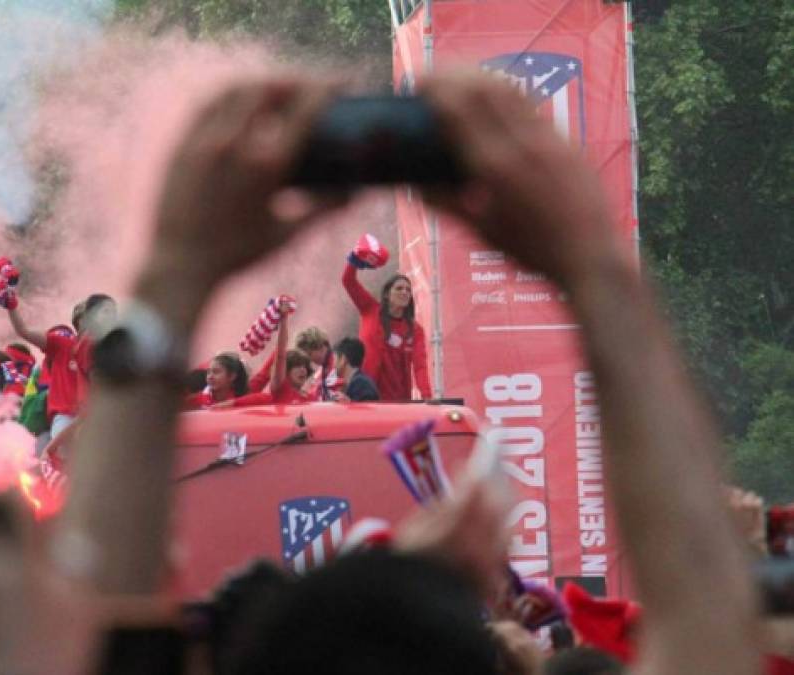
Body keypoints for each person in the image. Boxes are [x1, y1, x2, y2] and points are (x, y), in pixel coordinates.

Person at [60, 73, 760, 675]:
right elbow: (707, 611)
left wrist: (175, 268)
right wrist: (596, 270)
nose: (396, 298)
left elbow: (94, 626)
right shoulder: (369, 308)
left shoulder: (406, 327)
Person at [5, 293, 116, 440]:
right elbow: (24, 331)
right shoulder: (62, 344)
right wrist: (10, 305)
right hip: (67, 418)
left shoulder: (106, 349)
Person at [341, 262, 432, 401]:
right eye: (399, 288)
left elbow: (420, 366)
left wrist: (427, 395)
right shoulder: (370, 310)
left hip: (399, 400)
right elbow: (348, 281)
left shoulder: (415, 330)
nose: (405, 292)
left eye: (408, 290)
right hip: (365, 395)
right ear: (387, 295)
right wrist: (354, 260)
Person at [268, 299, 312, 405]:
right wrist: (284, 319)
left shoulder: (311, 397)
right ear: (286, 370)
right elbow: (281, 356)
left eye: (304, 366)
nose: (303, 370)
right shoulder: (280, 388)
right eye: (297, 366)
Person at [296, 326, 341, 401]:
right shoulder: (321, 370)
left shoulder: (338, 366)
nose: (310, 360)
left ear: (320, 347)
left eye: (309, 354)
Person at [331, 337, 379, 402]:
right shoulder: (357, 382)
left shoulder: (361, 383)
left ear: (343, 359)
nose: (332, 364)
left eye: (334, 359)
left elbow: (368, 410)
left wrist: (349, 403)